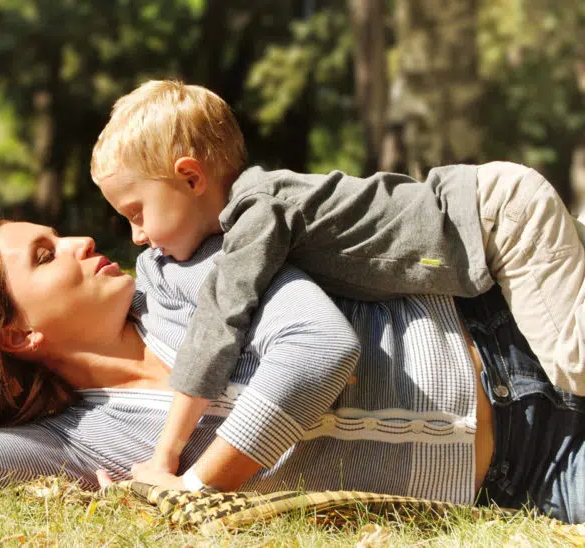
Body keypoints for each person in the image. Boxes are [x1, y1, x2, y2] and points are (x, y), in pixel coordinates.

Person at [0, 220, 585, 523]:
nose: (81, 240)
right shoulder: (79, 440)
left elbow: (320, 351)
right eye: (46, 256)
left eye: (56, 236)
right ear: (17, 331)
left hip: (509, 329)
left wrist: (196, 484)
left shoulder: (182, 270)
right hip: (524, 472)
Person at [91, 80, 585, 482]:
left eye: (137, 213)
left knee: (574, 364)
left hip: (497, 220)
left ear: (192, 178)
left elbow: (219, 322)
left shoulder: (259, 212)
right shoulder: (252, 216)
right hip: (491, 220)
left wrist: (166, 454)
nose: (136, 237)